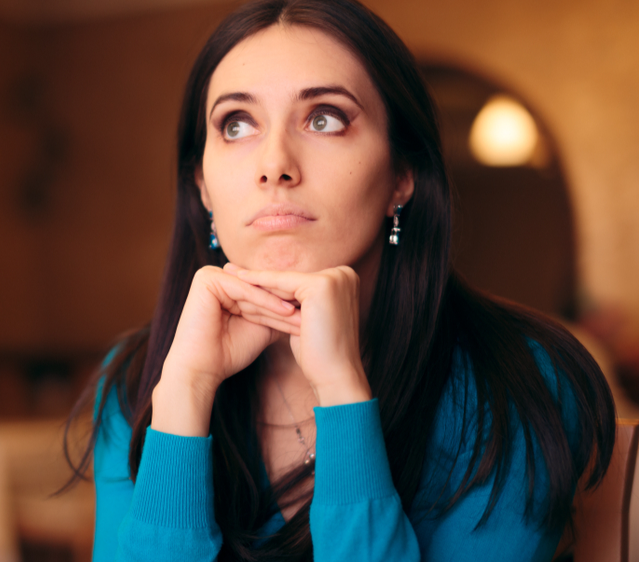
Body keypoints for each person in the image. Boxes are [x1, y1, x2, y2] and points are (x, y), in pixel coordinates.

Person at [64, 0, 617, 560]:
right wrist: (183, 396)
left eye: (324, 117)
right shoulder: (134, 381)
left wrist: (343, 394)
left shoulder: (519, 381)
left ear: (402, 173)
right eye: (237, 124)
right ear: (203, 187)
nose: (274, 164)